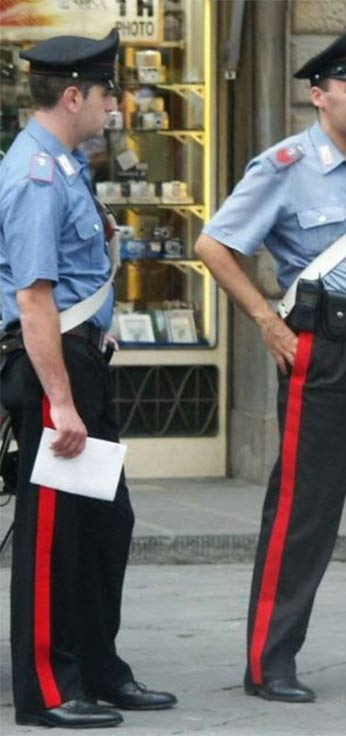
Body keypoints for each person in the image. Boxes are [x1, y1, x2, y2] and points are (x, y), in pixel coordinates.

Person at [195, 24, 346, 704]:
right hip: (324, 350)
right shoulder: (283, 166)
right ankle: (270, 660)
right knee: (305, 509)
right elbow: (213, 245)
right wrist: (266, 321)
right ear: (318, 94)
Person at [0, 30, 176, 729]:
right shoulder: (36, 175)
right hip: (54, 367)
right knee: (54, 534)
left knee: (105, 524)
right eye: (106, 94)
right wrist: (63, 402)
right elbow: (34, 296)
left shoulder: (65, 164)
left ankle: (99, 668)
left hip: (78, 360)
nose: (114, 106)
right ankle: (48, 687)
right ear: (74, 94)